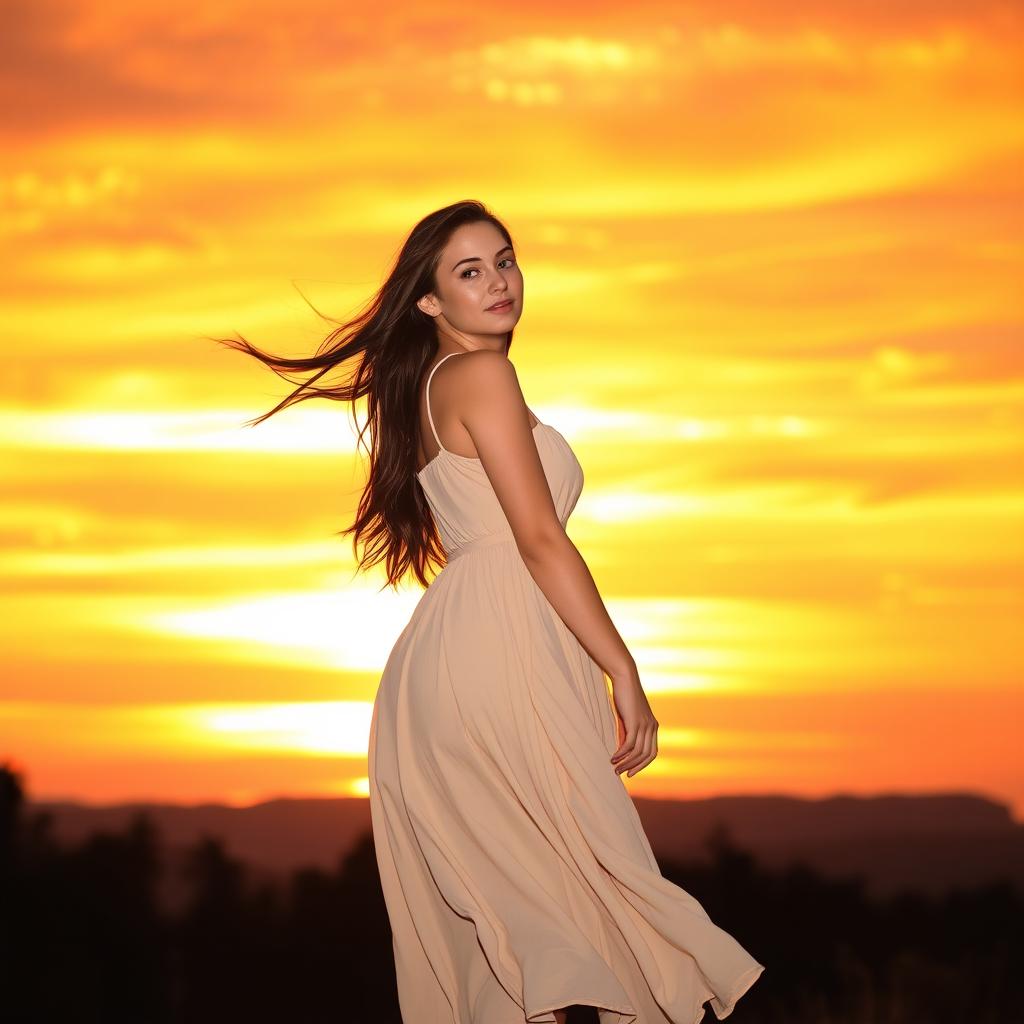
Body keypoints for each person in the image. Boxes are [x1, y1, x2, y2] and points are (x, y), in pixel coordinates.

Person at [218, 200, 765, 1023]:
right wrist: (625, 669)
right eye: (469, 271)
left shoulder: (437, 383)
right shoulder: (481, 375)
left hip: (474, 648)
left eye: (505, 260)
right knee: (587, 888)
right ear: (430, 301)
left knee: (544, 916)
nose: (499, 281)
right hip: (501, 648)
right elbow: (540, 539)